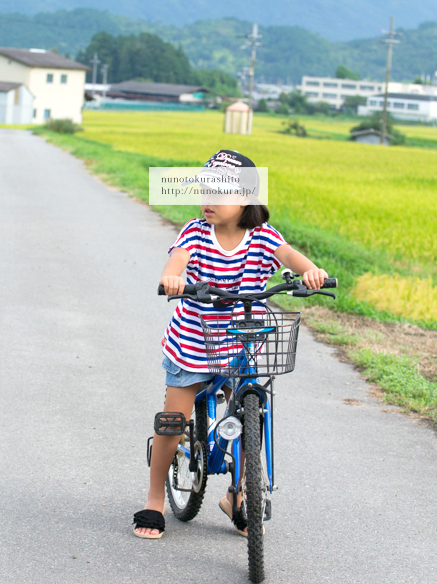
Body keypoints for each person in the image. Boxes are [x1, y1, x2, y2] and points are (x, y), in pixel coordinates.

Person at [133, 150, 328, 539]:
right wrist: (173, 278)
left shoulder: (263, 238)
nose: (208, 199)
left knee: (251, 415)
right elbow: (177, 262)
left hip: (241, 345)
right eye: (204, 189)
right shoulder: (194, 232)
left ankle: (237, 496)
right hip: (193, 344)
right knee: (173, 424)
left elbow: (289, 256)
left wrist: (311, 272)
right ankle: (155, 499)